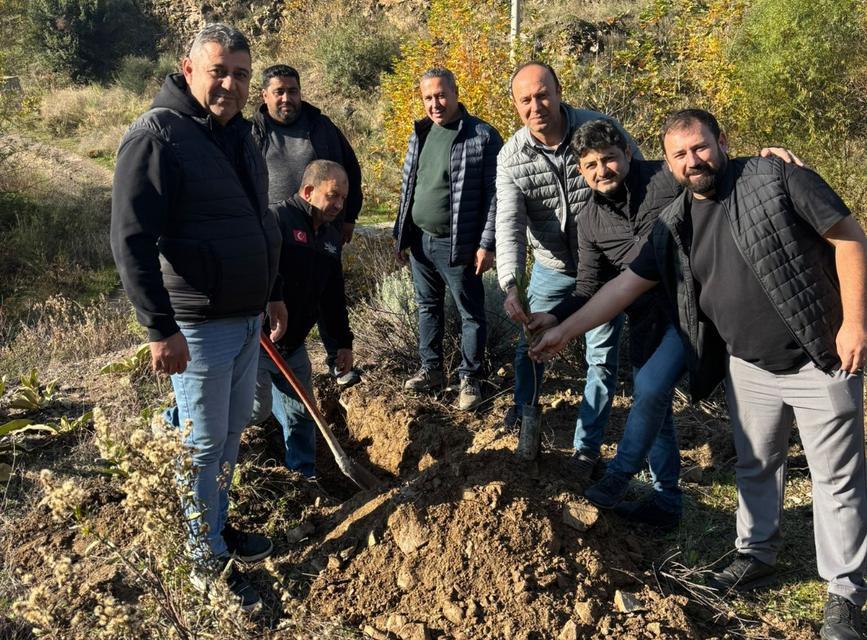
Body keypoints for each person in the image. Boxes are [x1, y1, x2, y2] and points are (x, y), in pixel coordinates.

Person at [531, 108, 867, 640]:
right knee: (756, 465)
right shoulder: (675, 222)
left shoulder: (773, 177)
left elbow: (849, 237)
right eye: (681, 154)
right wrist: (565, 331)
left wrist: (855, 323)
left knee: (836, 478)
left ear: (722, 141)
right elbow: (622, 287)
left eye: (701, 147)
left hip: (818, 355)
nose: (694, 160)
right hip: (746, 364)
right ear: (668, 164)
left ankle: (845, 591)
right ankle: (756, 553)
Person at [110, 23, 282, 611]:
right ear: (189, 70)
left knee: (232, 436)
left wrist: (272, 291)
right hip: (198, 326)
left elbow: (257, 221)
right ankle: (201, 561)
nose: (231, 84)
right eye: (219, 71)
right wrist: (159, 327)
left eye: (240, 74)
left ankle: (215, 528)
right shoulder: (157, 136)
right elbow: (131, 240)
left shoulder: (237, 135)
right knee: (204, 445)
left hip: (246, 317)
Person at [530, 119, 686, 526]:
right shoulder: (590, 221)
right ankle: (667, 501)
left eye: (609, 159)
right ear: (580, 170)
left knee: (651, 392)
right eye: (591, 165)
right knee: (657, 409)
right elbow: (587, 288)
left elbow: (714, 175)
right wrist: (553, 316)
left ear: (627, 153)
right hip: (649, 322)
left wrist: (765, 160)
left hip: (700, 311)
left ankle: (619, 475)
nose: (602, 171)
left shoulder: (667, 179)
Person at [495, 61, 640, 477]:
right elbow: (508, 224)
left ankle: (586, 449)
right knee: (531, 345)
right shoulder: (512, 156)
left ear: (559, 92)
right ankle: (526, 415)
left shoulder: (597, 128)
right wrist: (509, 284)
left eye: (543, 95)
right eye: (526, 100)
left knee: (601, 357)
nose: (536, 105)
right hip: (552, 266)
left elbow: (640, 175)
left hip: (608, 269)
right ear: (516, 106)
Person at [393, 67, 503, 410]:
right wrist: (401, 235)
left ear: (456, 93)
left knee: (470, 313)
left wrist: (488, 244)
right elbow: (410, 186)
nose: (435, 103)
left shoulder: (481, 136)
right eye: (428, 97)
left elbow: (496, 195)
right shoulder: (421, 132)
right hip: (421, 242)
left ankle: (470, 378)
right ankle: (431, 370)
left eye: (441, 95)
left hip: (459, 246)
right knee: (427, 307)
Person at [252, 64, 363, 387]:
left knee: (326, 287)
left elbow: (350, 171)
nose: (287, 98)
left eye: (293, 91)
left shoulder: (321, 126)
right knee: (272, 289)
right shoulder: (251, 131)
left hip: (321, 224)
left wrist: (348, 217)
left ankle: (336, 359)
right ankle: (263, 359)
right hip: (270, 227)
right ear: (265, 96)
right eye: (279, 91)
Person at [250, 160, 354, 477]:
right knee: (254, 411)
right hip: (260, 343)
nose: (338, 205)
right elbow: (255, 272)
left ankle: (303, 475)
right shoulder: (276, 220)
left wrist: (341, 344)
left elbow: (332, 297)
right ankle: (177, 420)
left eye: (342, 199)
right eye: (332, 195)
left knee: (301, 413)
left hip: (293, 347)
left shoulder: (330, 237)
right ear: (309, 191)